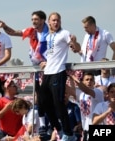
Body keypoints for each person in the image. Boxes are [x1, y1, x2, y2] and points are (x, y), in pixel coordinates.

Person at [0, 10, 49, 138]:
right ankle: (43, 125)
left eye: (36, 19)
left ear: (43, 20)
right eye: (32, 19)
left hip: (49, 68)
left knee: (48, 98)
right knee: (39, 96)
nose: (33, 21)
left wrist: (48, 62)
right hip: (37, 68)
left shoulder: (50, 34)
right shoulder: (31, 31)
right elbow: (13, 32)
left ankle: (49, 125)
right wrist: (4, 26)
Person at [39, 12, 81, 141]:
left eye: (58, 20)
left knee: (59, 103)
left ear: (60, 21)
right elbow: (49, 53)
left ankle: (69, 134)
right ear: (49, 22)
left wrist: (74, 42)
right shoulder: (47, 36)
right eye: (53, 20)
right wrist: (44, 61)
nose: (56, 23)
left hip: (58, 72)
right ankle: (58, 128)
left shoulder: (64, 33)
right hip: (47, 73)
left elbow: (76, 48)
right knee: (43, 102)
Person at [70, 72, 104, 141]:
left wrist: (72, 76)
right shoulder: (82, 95)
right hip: (86, 129)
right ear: (83, 82)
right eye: (87, 79)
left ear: (94, 82)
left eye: (91, 80)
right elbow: (72, 91)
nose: (89, 81)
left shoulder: (97, 92)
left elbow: (86, 90)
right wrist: (70, 78)